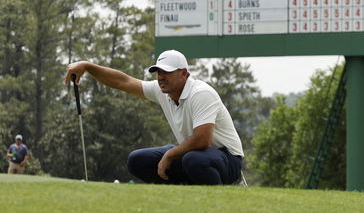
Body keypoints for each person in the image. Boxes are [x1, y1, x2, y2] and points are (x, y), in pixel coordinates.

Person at [64, 49, 244, 185]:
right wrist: (88, 67)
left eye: (167, 72)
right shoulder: (162, 91)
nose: (161, 77)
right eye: (159, 72)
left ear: (184, 73)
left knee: (193, 160)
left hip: (227, 159)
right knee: (137, 160)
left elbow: (203, 140)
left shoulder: (201, 93)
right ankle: (181, 196)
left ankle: (220, 198)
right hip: (193, 155)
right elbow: (124, 82)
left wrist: (170, 154)